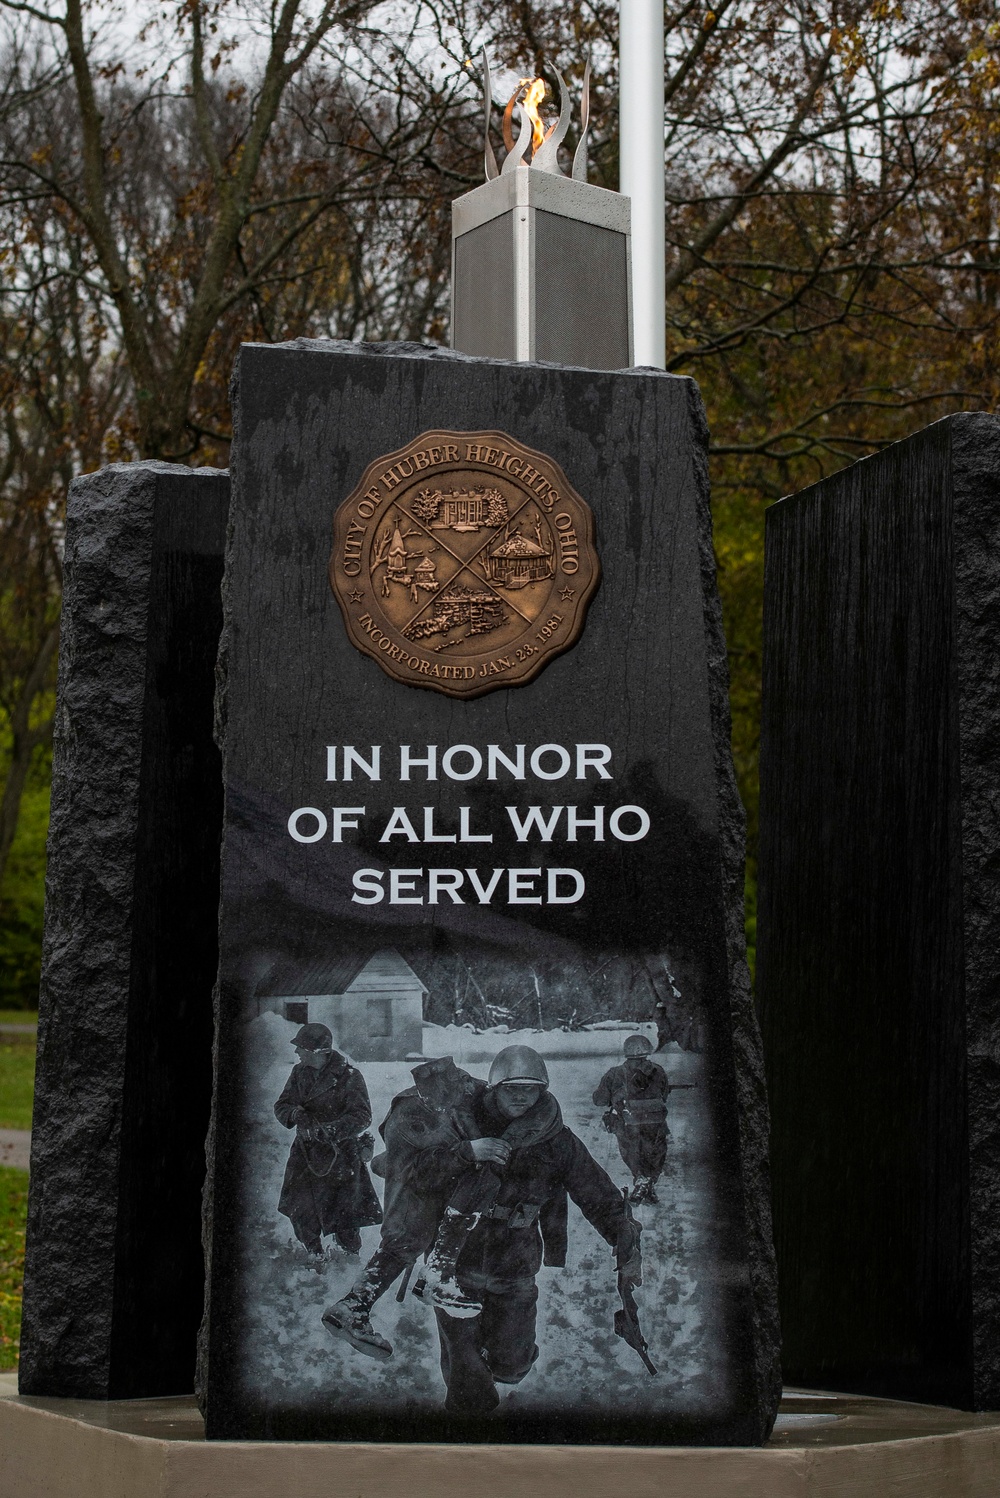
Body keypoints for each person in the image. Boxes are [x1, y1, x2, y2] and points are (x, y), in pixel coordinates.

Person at [420, 1045, 640, 1418]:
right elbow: (418, 1173)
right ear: (494, 1088)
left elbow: (596, 1192)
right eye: (512, 1087)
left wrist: (624, 1236)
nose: (521, 1095)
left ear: (543, 1090)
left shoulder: (556, 1139)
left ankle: (498, 1366)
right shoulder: (461, 1124)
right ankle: (467, 1434)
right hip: (456, 1259)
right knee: (464, 1366)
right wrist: (465, 1153)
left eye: (531, 1088)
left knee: (512, 1364)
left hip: (516, 1262)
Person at [323, 1054, 488, 1358]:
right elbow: (407, 1164)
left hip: (427, 1170)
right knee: (405, 1237)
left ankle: (354, 1305)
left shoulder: (473, 1092)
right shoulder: (413, 1108)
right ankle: (355, 1306)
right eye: (433, 1101)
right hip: (414, 1173)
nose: (437, 1104)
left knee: (403, 1239)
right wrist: (466, 1152)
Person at [274, 1022, 382, 1262]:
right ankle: (314, 1253)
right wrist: (294, 1114)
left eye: (301, 1048)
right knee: (299, 1207)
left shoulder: (349, 1076)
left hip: (340, 1155)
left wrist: (331, 1130)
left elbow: (362, 1116)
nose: (296, 1052)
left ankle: (348, 1258)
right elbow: (281, 1105)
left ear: (318, 1052)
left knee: (345, 1213)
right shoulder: (299, 1073)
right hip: (305, 1152)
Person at [592, 1033, 669, 1204]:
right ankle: (648, 1183)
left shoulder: (615, 1073)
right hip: (655, 1120)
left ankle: (641, 1179)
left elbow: (600, 1100)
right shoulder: (659, 1070)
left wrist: (610, 1095)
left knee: (631, 1150)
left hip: (628, 1121)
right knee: (655, 1152)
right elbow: (664, 1095)